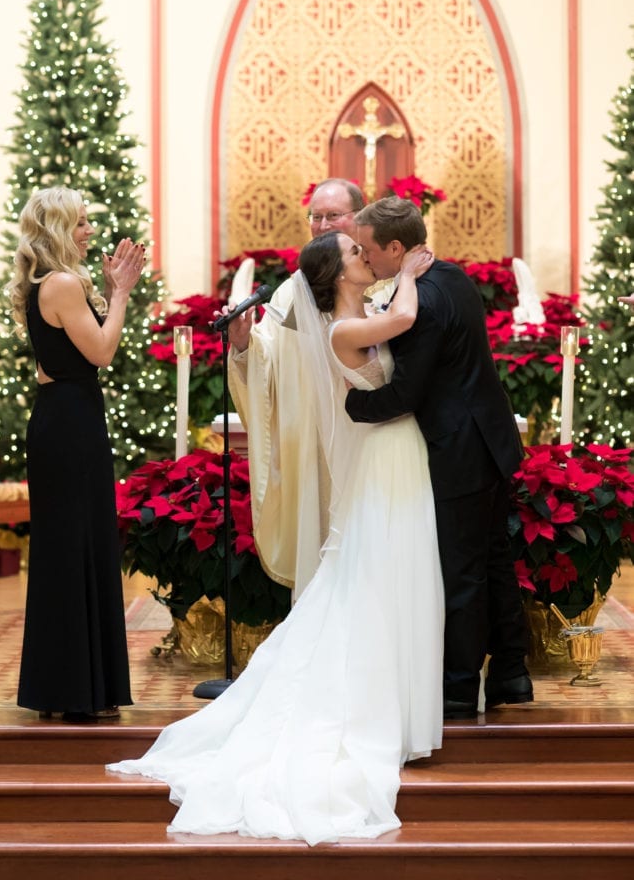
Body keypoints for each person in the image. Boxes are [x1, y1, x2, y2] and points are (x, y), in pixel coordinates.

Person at [107, 231, 444, 846]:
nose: (363, 254)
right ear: (333, 268)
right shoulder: (328, 312)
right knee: (363, 578)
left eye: (357, 238)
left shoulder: (357, 304)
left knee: (371, 575)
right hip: (373, 454)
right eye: (351, 250)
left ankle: (395, 695)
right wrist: (413, 275)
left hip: (381, 453)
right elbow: (275, 354)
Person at [345, 196, 531, 719]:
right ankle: (512, 674)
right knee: (494, 561)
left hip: (460, 451)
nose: (364, 257)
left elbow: (405, 393)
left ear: (397, 248)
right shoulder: (451, 277)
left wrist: (351, 402)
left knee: (464, 571)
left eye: (368, 248)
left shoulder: (422, 302)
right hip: (491, 441)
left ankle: (457, 687)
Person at [10, 185, 145, 721]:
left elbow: (56, 361)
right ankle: (74, 689)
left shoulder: (44, 281)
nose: (90, 230)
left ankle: (66, 688)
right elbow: (102, 352)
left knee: (72, 547)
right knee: (75, 547)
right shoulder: (64, 282)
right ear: (59, 229)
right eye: (82, 222)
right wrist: (122, 292)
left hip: (63, 416)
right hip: (70, 426)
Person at [227, 178, 368, 595]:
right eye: (316, 216)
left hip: (367, 438)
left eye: (333, 215)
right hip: (311, 446)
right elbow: (268, 359)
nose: (323, 224)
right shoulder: (292, 291)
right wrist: (242, 344)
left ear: (358, 217)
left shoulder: (380, 277)